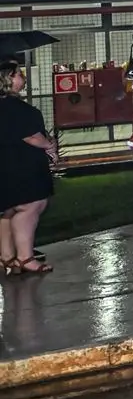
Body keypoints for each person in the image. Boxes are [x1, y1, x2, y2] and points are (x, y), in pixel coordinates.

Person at [0, 57, 57, 275]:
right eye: (19, 73)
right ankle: (25, 258)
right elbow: (31, 136)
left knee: (8, 210)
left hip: (5, 164)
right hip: (22, 165)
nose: (23, 76)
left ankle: (6, 257)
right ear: (9, 79)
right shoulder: (16, 109)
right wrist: (49, 146)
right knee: (30, 206)